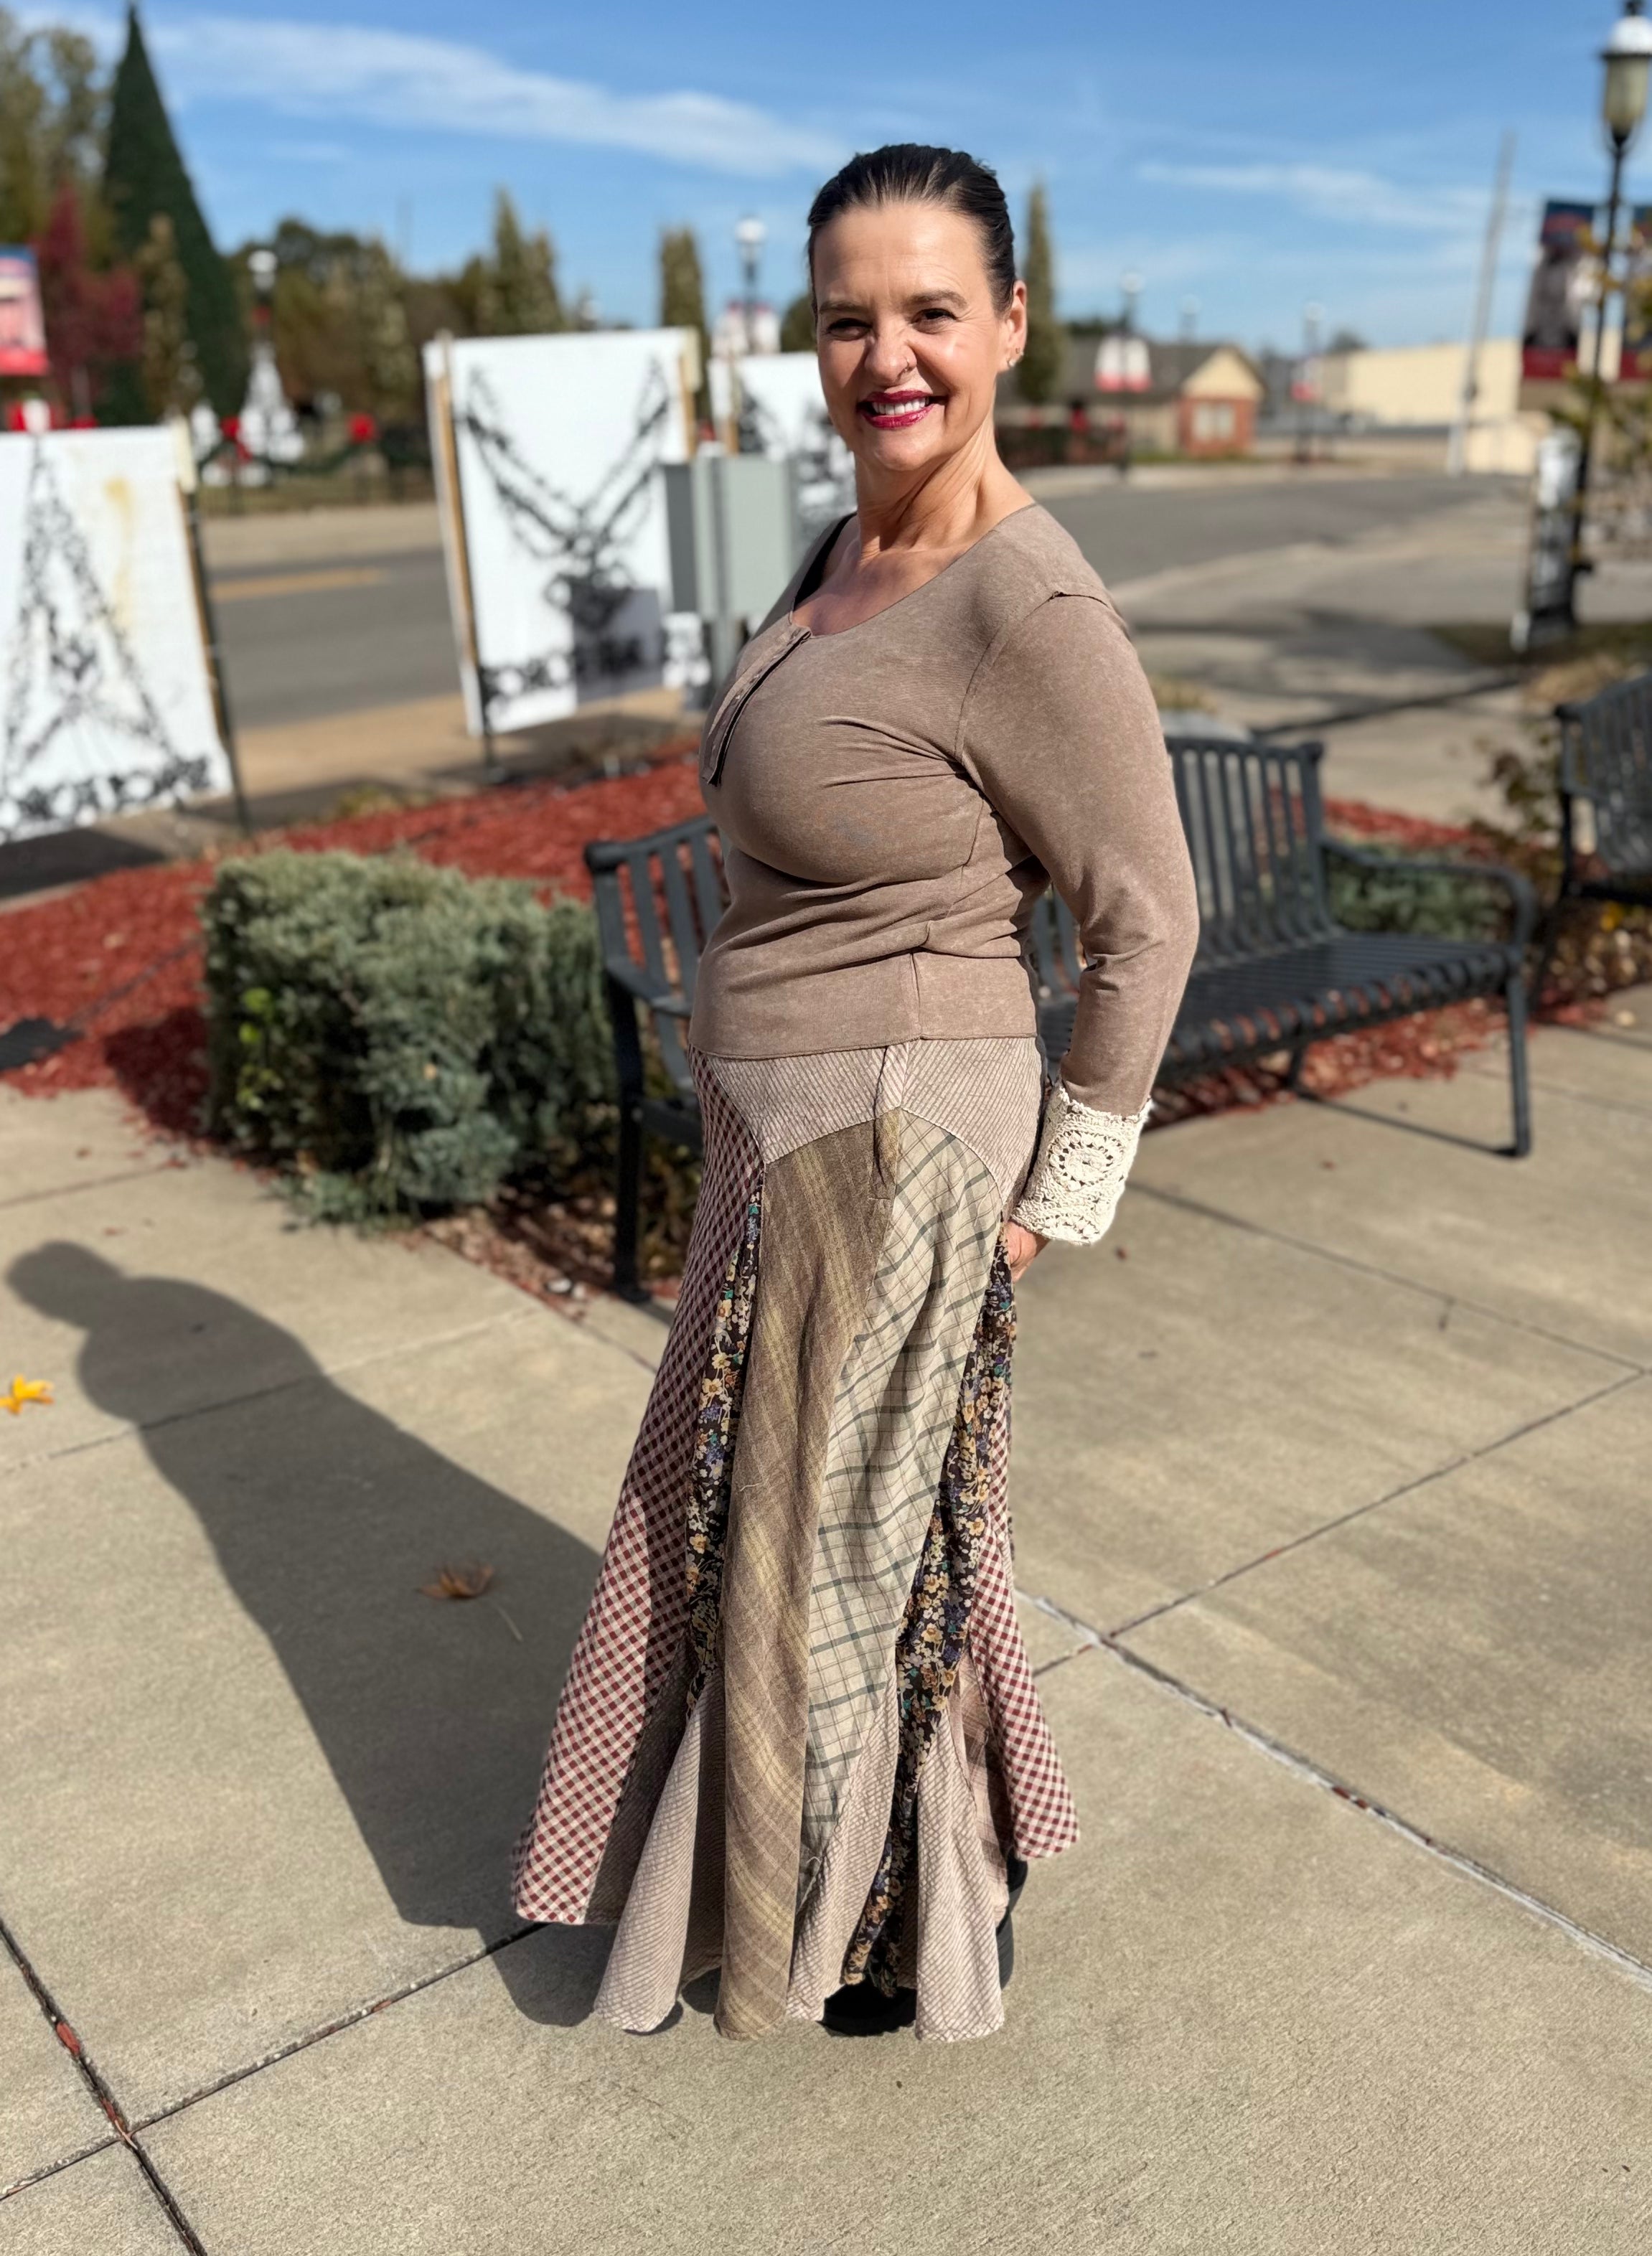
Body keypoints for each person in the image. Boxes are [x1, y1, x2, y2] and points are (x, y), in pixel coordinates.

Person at [513, 144, 1199, 2042]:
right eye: (847, 319)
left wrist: (1053, 1203)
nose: (886, 355)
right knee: (844, 1530)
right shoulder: (844, 555)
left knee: (831, 1554)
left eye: (928, 313)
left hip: (900, 1137)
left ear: (1009, 328)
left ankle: (891, 1931)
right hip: (784, 1128)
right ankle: (922, 1876)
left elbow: (1148, 920)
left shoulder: (1026, 606)